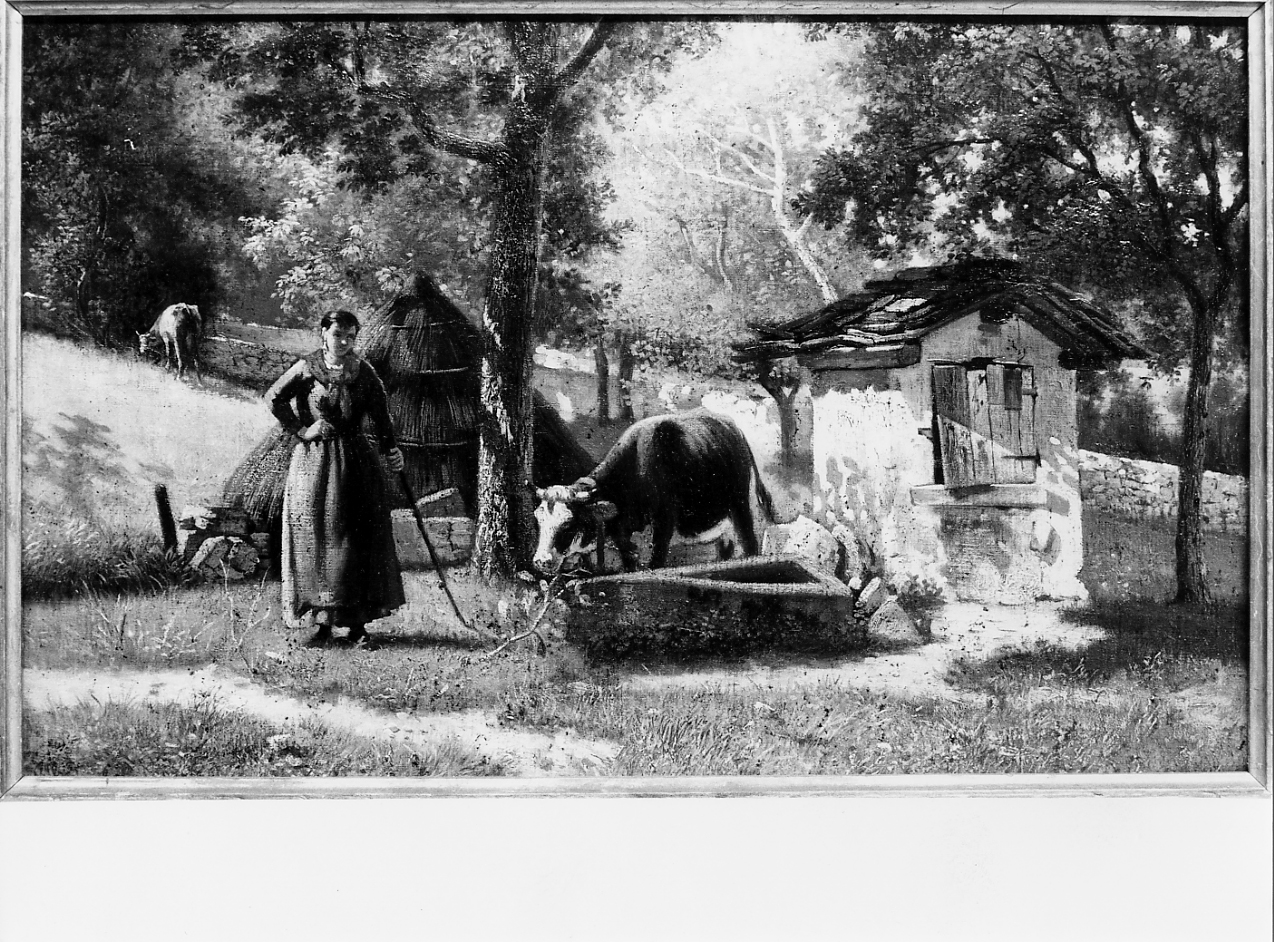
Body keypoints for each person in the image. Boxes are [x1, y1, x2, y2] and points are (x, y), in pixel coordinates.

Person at [265, 309, 406, 647]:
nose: (344, 342)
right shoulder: (306, 369)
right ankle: (323, 624)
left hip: (355, 464)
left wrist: (391, 449)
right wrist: (301, 429)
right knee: (316, 538)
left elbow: (380, 413)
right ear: (323, 334)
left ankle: (357, 628)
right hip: (313, 465)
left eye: (351, 336)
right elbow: (274, 398)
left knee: (354, 540)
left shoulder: (363, 372)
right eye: (338, 334)